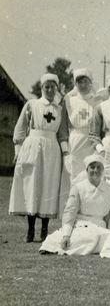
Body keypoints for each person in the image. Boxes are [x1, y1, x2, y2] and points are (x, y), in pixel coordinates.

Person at [10, 73, 69, 242]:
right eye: (46, 87)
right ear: (41, 88)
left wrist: (65, 152)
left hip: (52, 149)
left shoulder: (59, 108)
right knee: (32, 185)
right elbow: (20, 129)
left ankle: (44, 229)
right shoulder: (32, 105)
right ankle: (30, 230)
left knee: (48, 187)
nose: (50, 90)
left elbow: (63, 132)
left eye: (53, 87)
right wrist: (17, 151)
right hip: (33, 146)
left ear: (57, 88)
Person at [39, 155, 110, 255]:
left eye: (99, 167)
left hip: (101, 227)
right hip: (82, 225)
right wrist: (66, 235)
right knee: (74, 239)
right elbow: (69, 213)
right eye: (92, 167)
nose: (95, 170)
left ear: (103, 170)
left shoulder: (109, 189)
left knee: (106, 237)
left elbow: (108, 216)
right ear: (86, 170)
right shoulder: (78, 188)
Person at [63, 68, 106, 181]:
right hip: (75, 141)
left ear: (90, 83)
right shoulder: (70, 101)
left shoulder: (97, 101)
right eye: (79, 82)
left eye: (85, 81)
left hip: (93, 142)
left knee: (91, 172)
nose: (83, 85)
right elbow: (64, 125)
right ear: (75, 84)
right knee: (75, 173)